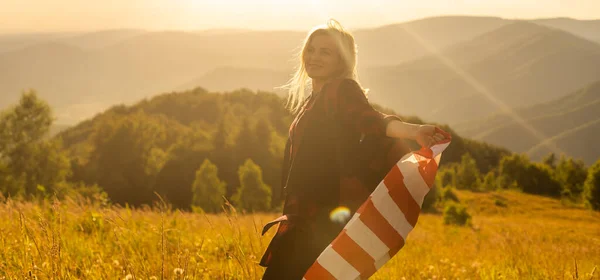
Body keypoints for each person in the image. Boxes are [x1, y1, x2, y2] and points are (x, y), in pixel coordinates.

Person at [259, 19, 447, 280]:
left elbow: (370, 119)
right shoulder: (314, 99)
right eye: (311, 50)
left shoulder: (341, 89)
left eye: (325, 52)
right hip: (304, 216)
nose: (314, 57)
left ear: (342, 60)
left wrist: (414, 131)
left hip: (321, 218)